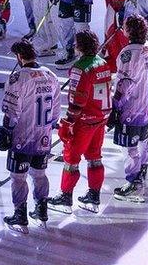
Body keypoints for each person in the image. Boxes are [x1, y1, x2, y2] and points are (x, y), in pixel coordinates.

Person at [0, 40, 61, 232]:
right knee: (40, 174)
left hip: (22, 137)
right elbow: (56, 111)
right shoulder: (51, 76)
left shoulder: (18, 78)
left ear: (19, 56)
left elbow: (11, 110)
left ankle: (20, 215)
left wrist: (6, 131)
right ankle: (41, 210)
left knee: (18, 177)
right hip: (44, 136)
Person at [47, 30, 113, 214]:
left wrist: (67, 123)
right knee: (95, 158)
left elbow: (77, 99)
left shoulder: (79, 68)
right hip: (100, 120)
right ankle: (94, 195)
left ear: (80, 46)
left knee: (71, 160)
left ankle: (65, 197)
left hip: (83, 122)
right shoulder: (103, 64)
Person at [109, 15, 148, 203]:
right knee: (143, 140)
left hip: (131, 107)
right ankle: (142, 172)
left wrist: (115, 107)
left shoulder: (129, 53)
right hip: (147, 104)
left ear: (128, 31)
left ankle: (134, 182)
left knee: (129, 147)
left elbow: (124, 83)